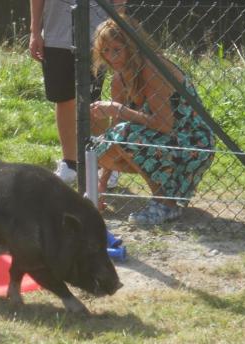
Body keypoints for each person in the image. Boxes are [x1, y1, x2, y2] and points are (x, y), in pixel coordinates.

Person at [88, 17, 215, 225]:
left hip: (191, 141)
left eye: (117, 49)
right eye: (105, 51)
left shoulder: (152, 68)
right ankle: (166, 195)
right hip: (158, 140)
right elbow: (115, 131)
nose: (111, 57)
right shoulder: (119, 79)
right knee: (99, 148)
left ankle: (165, 204)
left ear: (131, 46)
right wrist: (101, 186)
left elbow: (165, 124)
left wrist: (119, 109)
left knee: (126, 135)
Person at [29, 0, 124, 185]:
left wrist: (118, 28)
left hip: (97, 36)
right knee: (63, 99)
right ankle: (70, 164)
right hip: (55, 35)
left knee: (93, 101)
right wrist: (34, 32)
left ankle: (103, 164)